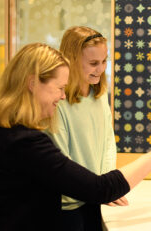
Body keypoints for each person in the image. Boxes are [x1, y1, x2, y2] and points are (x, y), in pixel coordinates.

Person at [0, 43, 151, 231]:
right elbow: (101, 188)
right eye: (59, 88)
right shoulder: (26, 143)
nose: (63, 96)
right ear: (33, 83)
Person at [46, 26, 121, 230]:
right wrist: (100, 189)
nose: (101, 68)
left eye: (104, 61)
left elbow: (107, 143)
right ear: (71, 61)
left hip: (95, 197)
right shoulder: (58, 103)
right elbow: (62, 161)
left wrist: (107, 186)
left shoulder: (100, 96)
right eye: (93, 63)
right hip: (68, 206)